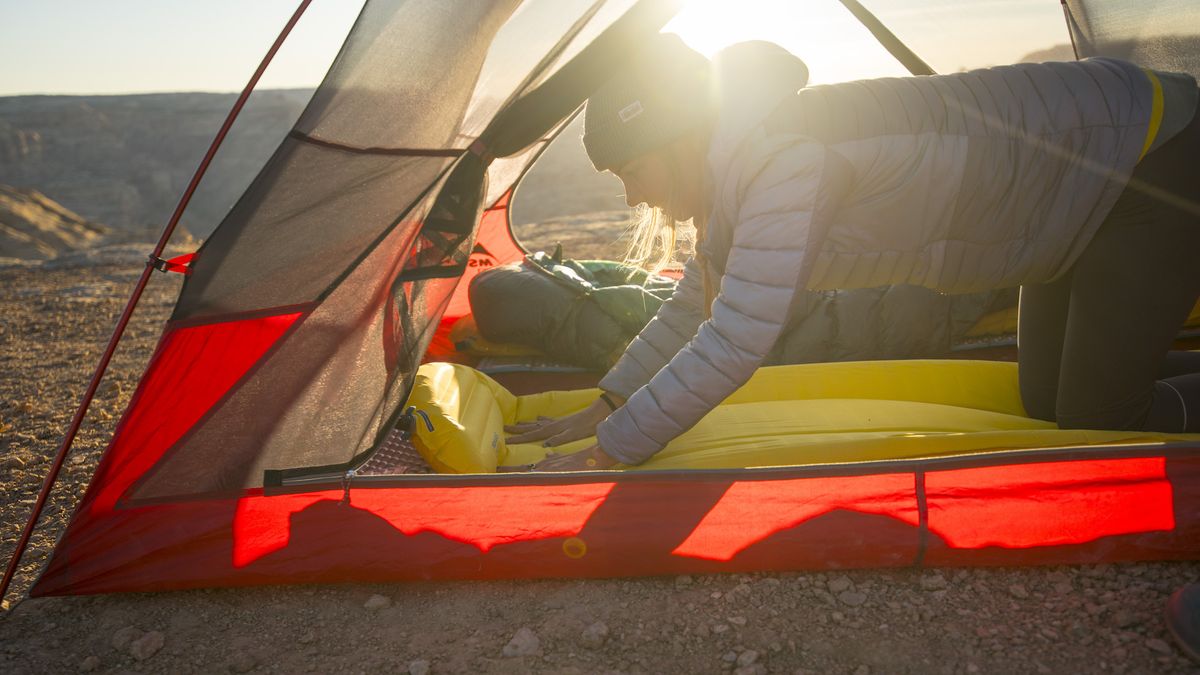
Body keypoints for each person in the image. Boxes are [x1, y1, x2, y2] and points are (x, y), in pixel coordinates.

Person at [507, 34, 1200, 471]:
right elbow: (697, 299)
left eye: (634, 171)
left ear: (679, 140)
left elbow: (736, 335)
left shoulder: (783, 160)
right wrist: (610, 401)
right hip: (1066, 209)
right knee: (1049, 402)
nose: (632, 198)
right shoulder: (741, 166)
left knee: (1099, 424)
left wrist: (612, 450)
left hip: (1141, 160)